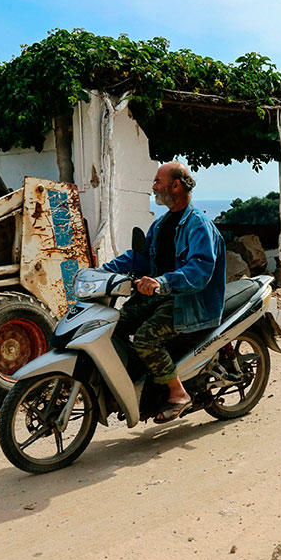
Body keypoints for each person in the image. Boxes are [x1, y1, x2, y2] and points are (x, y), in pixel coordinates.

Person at [102, 161, 226, 423]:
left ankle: (178, 392)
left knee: (146, 338)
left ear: (176, 185)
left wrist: (162, 282)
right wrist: (102, 271)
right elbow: (141, 258)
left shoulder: (199, 225)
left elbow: (199, 271)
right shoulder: (161, 225)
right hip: (162, 296)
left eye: (158, 181)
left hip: (189, 301)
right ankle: (143, 379)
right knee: (112, 324)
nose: (154, 186)